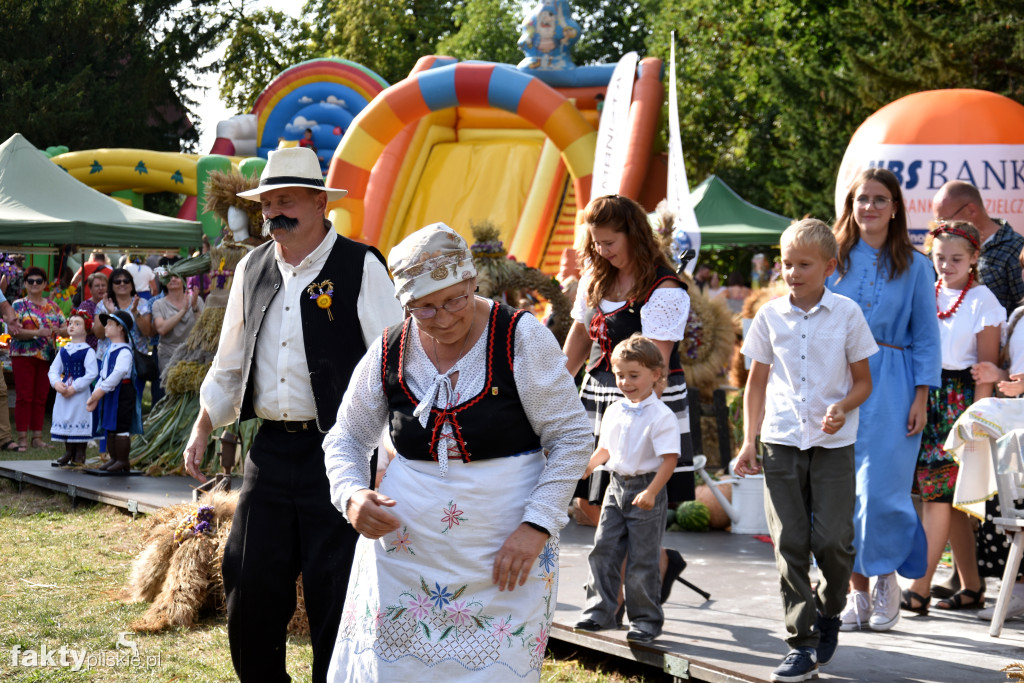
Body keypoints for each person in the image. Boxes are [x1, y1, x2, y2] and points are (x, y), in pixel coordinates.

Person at [322, 222, 591, 680]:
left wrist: (537, 525)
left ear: (472, 282)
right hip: (403, 558)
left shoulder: (520, 338)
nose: (442, 317)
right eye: (423, 308)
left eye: (454, 300)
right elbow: (346, 437)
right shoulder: (390, 350)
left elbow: (571, 437)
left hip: (507, 552)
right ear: (404, 304)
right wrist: (351, 494)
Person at [181, 146, 403, 683]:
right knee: (248, 579)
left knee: (333, 589)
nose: (276, 213)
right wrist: (205, 422)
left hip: (342, 451)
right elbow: (230, 357)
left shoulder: (360, 265)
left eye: (287, 201)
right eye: (268, 204)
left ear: (321, 202)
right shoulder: (252, 268)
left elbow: (395, 361)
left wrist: (389, 453)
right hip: (271, 448)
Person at [735, 218, 876, 683]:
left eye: (803, 264)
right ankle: (801, 641)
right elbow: (756, 382)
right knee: (789, 541)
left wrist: (841, 407)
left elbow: (863, 382)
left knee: (834, 541)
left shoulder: (848, 314)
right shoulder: (769, 316)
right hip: (780, 441)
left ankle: (831, 610)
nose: (792, 272)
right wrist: (748, 440)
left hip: (833, 444)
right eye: (786, 263)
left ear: (829, 267)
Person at [561, 193, 694, 601]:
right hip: (597, 394)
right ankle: (654, 566)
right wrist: (552, 387)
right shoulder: (595, 279)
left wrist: (634, 417)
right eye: (596, 243)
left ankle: (614, 593)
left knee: (635, 501)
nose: (602, 250)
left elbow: (656, 366)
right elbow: (579, 342)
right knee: (593, 501)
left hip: (644, 400)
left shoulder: (664, 288)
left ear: (633, 235)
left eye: (610, 243)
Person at [829, 167, 942, 632]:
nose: (870, 207)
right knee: (840, 495)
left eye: (879, 199)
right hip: (837, 384)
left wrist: (921, 397)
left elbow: (926, 337)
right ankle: (855, 592)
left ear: (895, 208)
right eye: (862, 199)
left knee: (881, 493)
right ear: (850, 207)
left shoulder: (916, 265)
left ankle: (886, 580)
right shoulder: (831, 258)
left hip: (894, 385)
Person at [900, 220, 1003, 615]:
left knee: (938, 497)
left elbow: (985, 368)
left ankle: (920, 587)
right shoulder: (926, 292)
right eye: (939, 257)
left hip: (959, 403)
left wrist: (976, 424)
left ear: (975, 258)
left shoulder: (984, 302)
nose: (946, 265)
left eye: (956, 258)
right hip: (922, 395)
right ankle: (973, 587)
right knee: (949, 500)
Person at [574, 334, 679, 644]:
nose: (625, 382)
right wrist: (590, 465)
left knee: (642, 557)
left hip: (646, 487)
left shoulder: (661, 416)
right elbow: (607, 448)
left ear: (655, 374)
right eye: (620, 375)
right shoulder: (616, 409)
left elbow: (669, 460)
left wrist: (651, 492)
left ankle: (645, 619)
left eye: (634, 375)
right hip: (616, 487)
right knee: (603, 550)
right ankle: (600, 610)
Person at [933, 180, 1024, 316]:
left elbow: (1021, 310)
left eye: (944, 220)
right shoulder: (942, 243)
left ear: (972, 210)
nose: (942, 228)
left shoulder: (1015, 248)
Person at [11, 266, 67, 451]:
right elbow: (14, 331)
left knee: (41, 397)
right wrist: (37, 332)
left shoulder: (53, 306)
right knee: (24, 397)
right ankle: (21, 439)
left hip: (46, 356)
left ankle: (36, 438)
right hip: (23, 355)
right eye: (30, 281)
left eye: (38, 281)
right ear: (25, 284)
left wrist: (61, 331)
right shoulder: (18, 305)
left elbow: (66, 326)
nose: (34, 284)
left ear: (44, 284)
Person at [86, 310, 140, 473]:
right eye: (107, 324)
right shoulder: (110, 349)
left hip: (122, 392)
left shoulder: (124, 351)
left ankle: (123, 460)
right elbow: (103, 374)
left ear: (121, 329)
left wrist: (100, 391)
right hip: (110, 392)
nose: (106, 327)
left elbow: (118, 374)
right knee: (110, 425)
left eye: (110, 324)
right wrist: (96, 392)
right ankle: (114, 458)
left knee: (121, 426)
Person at [94, 267, 153, 402]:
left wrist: (135, 313)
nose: (122, 284)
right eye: (117, 281)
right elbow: (99, 334)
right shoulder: (103, 305)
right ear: (111, 285)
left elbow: (147, 332)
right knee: (107, 401)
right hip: (107, 359)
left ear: (132, 284)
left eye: (126, 280)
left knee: (132, 402)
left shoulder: (142, 303)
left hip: (134, 362)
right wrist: (110, 314)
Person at [49, 310, 98, 466]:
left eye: (78, 324)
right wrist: (57, 383)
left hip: (80, 394)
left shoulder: (88, 351)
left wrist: (75, 387)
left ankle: (80, 453)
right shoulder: (64, 350)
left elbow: (92, 373)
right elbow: (53, 369)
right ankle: (68, 451)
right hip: (64, 392)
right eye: (71, 323)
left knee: (79, 417)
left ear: (86, 329)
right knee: (65, 418)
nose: (72, 326)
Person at [151, 271, 204, 388]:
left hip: (193, 353)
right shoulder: (158, 304)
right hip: (168, 354)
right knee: (172, 390)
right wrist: (183, 311)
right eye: (168, 278)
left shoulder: (197, 300)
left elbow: (203, 328)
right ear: (164, 282)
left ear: (183, 280)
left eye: (176, 276)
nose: (173, 279)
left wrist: (194, 308)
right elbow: (162, 329)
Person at [78, 272, 107, 351]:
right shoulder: (86, 306)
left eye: (103, 285)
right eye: (97, 286)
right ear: (90, 289)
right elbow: (83, 328)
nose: (101, 288)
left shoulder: (112, 304)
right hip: (91, 349)